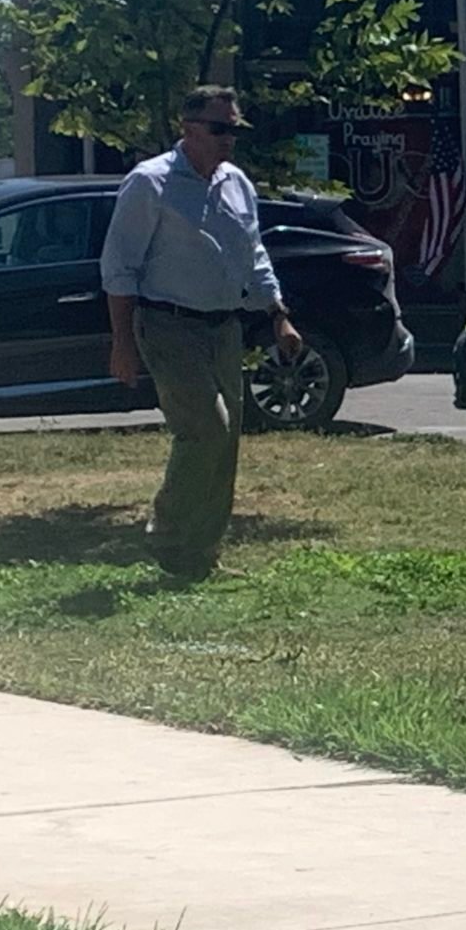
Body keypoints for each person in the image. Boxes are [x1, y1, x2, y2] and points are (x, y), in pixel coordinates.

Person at [98, 89, 304, 581]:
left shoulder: (236, 184)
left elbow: (252, 255)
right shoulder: (149, 184)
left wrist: (279, 315)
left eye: (235, 129)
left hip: (223, 326)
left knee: (226, 438)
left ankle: (201, 555)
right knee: (205, 428)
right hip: (168, 323)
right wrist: (122, 344)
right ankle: (170, 538)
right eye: (220, 129)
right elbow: (119, 268)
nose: (229, 139)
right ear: (188, 127)